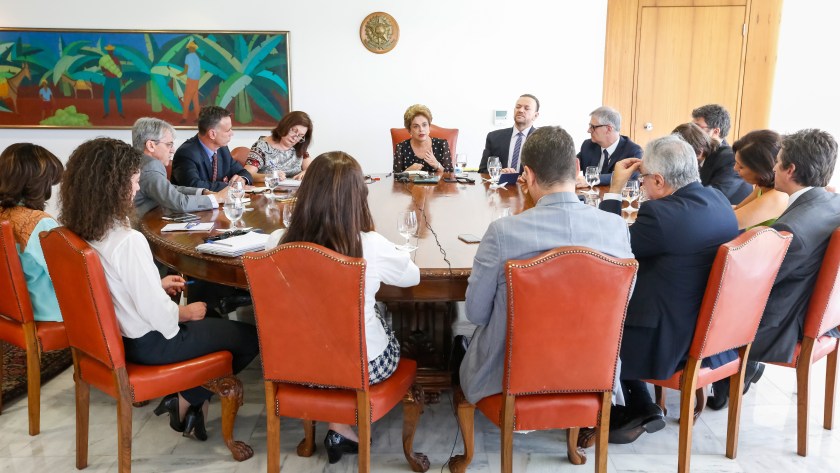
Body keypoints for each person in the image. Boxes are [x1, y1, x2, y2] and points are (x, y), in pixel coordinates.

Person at [58, 137, 259, 440]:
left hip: (115, 338)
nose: (138, 190)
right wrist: (186, 313)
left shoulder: (80, 230)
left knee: (214, 322)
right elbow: (160, 317)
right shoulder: (128, 240)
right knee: (251, 336)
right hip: (151, 343)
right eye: (134, 182)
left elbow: (110, 284)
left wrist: (155, 283)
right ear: (111, 186)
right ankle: (187, 397)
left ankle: (186, 403)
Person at [459, 126, 633, 406]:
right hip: (592, 372)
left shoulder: (503, 232)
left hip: (505, 378)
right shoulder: (616, 227)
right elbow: (622, 304)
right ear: (577, 167)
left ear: (527, 175)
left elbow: (476, 313)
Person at [280, 151, 419, 464]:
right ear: (359, 195)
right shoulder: (371, 245)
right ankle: (339, 426)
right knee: (380, 321)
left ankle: (337, 426)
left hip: (296, 367)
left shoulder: (277, 242)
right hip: (360, 368)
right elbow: (413, 277)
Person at [600, 135, 739, 443]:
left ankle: (633, 406)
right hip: (709, 327)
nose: (643, 184)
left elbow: (608, 246)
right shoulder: (718, 200)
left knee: (592, 310)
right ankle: (643, 405)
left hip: (665, 337)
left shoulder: (661, 216)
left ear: (660, 181)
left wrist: (613, 191)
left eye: (643, 178)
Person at [708, 129, 840, 409]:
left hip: (780, 324)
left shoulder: (791, 229)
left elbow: (753, 288)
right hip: (817, 315)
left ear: (790, 169)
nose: (773, 168)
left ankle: (723, 369)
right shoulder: (832, 203)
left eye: (777, 162)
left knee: (696, 293)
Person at [0, 143, 63, 321]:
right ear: (37, 183)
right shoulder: (40, 223)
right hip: (48, 314)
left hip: (10, 311)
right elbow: (65, 277)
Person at [132, 117, 228, 218]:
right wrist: (217, 198)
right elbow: (180, 203)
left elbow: (169, 189)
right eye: (168, 144)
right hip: (145, 228)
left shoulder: (139, 161)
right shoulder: (150, 167)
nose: (173, 150)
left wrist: (202, 192)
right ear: (151, 145)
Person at [171, 106, 252, 191]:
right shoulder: (186, 153)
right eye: (228, 130)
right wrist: (230, 186)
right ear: (212, 134)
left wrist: (242, 179)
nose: (232, 133)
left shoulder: (222, 149)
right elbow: (194, 186)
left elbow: (242, 172)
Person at [691, 104, 752, 204]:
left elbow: (713, 196)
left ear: (715, 131)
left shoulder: (732, 159)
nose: (692, 132)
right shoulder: (695, 150)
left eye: (697, 128)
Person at [731, 130, 788, 230]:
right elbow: (737, 208)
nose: (735, 168)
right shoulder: (762, 186)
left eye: (741, 166)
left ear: (762, 170)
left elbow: (729, 223)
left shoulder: (777, 197)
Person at [576, 106, 642, 187]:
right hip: (589, 197)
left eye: (593, 127)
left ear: (609, 129)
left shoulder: (633, 151)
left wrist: (592, 179)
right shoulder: (588, 145)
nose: (589, 130)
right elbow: (573, 164)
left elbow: (625, 176)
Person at [477, 94, 539, 173]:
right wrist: (499, 173)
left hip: (527, 185)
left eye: (526, 108)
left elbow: (548, 175)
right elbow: (482, 170)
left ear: (535, 115)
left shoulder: (542, 141)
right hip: (500, 185)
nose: (520, 110)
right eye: (518, 107)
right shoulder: (494, 137)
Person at [244, 111, 313, 182]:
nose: (295, 138)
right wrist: (271, 176)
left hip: (295, 190)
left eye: (300, 136)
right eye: (293, 130)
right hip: (269, 190)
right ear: (284, 125)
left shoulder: (299, 146)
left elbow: (312, 169)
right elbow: (248, 174)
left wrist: (306, 173)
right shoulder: (262, 147)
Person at [393, 104, 453, 173]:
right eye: (416, 126)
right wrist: (407, 172)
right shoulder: (401, 148)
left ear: (429, 127)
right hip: (410, 184)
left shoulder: (442, 144)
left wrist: (437, 165)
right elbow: (395, 179)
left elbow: (451, 176)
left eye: (424, 125)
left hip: (438, 184)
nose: (421, 129)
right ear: (409, 130)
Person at [178, 40, 201, 124]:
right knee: (195, 100)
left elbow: (185, 70)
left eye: (189, 48)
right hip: (196, 81)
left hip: (191, 80)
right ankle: (198, 117)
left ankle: (184, 118)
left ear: (191, 48)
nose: (189, 49)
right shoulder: (197, 57)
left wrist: (179, 75)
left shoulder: (188, 56)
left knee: (187, 99)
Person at [99, 44, 124, 119]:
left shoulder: (115, 59)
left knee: (118, 97)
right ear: (107, 51)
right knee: (106, 97)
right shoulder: (104, 59)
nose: (110, 51)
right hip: (108, 79)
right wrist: (108, 69)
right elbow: (102, 69)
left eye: (111, 50)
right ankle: (106, 112)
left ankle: (120, 112)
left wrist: (119, 75)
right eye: (108, 50)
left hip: (115, 80)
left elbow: (120, 67)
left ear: (112, 51)